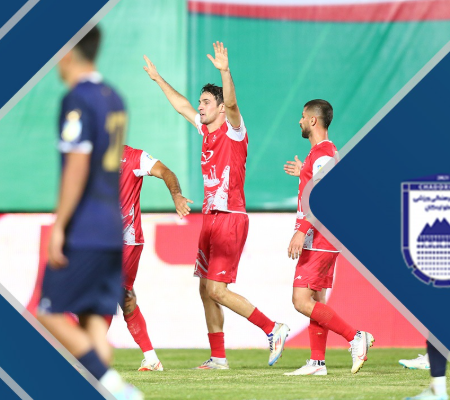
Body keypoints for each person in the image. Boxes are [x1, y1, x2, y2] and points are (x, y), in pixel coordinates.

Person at [143, 42, 290, 369]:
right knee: (204, 288)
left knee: (218, 290)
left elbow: (233, 102)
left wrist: (225, 71)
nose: (200, 106)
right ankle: (218, 357)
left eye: (207, 102)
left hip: (229, 218)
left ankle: (273, 328)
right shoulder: (206, 131)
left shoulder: (234, 131)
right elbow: (181, 106)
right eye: (201, 102)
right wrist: (158, 79)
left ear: (221, 108)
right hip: (210, 219)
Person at [36, 26, 142, 399]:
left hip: (86, 227)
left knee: (48, 312)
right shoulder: (115, 98)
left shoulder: (77, 98)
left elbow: (77, 165)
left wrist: (59, 225)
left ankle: (117, 389)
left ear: (68, 53)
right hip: (113, 227)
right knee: (94, 322)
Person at [282, 99, 374, 375]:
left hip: (320, 236)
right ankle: (317, 362)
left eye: (302, 116)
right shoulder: (320, 154)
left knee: (301, 300)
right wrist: (303, 172)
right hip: (324, 235)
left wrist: (301, 231)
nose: (299, 121)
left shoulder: (323, 153)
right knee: (316, 299)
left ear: (313, 120)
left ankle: (355, 336)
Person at [109, 144, 192, 371]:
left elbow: (165, 171)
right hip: (101, 240)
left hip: (127, 239)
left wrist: (176, 195)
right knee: (125, 298)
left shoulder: (134, 157)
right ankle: (152, 359)